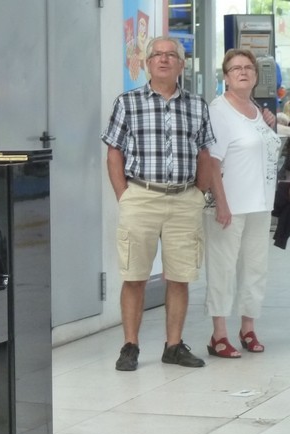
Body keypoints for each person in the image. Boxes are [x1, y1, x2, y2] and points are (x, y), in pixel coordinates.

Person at [101, 36, 215, 372]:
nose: (164, 60)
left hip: (184, 200)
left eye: (171, 55)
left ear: (181, 65)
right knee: (134, 276)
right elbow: (114, 152)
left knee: (180, 277)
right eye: (157, 55)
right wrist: (125, 195)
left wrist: (198, 194)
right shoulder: (128, 103)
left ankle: (174, 346)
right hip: (141, 196)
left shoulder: (197, 105)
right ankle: (130, 346)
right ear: (147, 63)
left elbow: (205, 153)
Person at [203, 49, 281, 358]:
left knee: (255, 268)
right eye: (235, 68)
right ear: (226, 76)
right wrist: (222, 203)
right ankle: (219, 334)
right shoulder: (219, 111)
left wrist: (269, 124)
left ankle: (248, 327)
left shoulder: (256, 109)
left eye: (248, 67)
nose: (243, 72)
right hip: (229, 206)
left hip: (259, 204)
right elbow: (211, 161)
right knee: (222, 269)